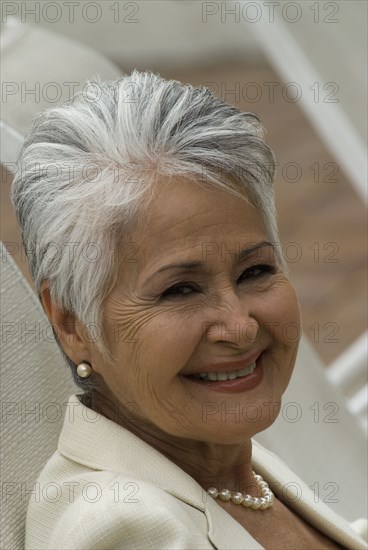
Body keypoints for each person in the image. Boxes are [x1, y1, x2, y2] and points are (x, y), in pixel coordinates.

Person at [11, 70, 367, 549]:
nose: (240, 327)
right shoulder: (122, 528)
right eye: (179, 290)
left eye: (255, 271)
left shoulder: (214, 458)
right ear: (71, 321)